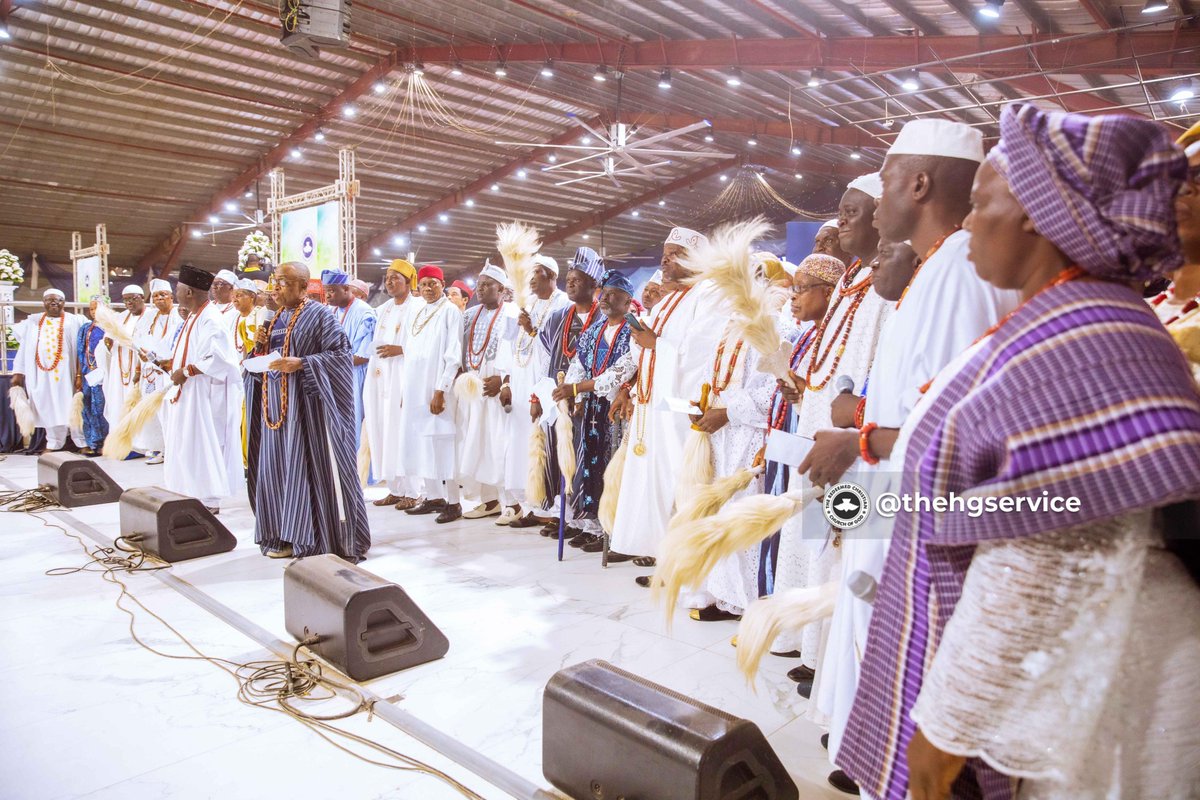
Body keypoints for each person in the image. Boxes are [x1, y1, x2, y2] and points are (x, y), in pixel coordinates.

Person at [840, 104, 1200, 800]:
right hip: (1062, 666)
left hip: (1096, 686)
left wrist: (946, 728)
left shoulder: (1085, 338)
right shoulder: (1067, 321)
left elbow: (1043, 555)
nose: (970, 222)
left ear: (1040, 210)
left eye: (983, 202)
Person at [770, 172, 892, 669]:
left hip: (856, 440)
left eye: (851, 212)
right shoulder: (849, 279)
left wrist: (855, 418)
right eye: (839, 212)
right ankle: (806, 644)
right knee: (811, 539)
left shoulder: (888, 281)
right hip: (819, 423)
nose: (839, 222)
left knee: (838, 543)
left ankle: (827, 661)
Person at [607, 227, 727, 576]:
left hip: (679, 408)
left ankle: (683, 563)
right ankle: (660, 554)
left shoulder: (708, 295)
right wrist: (629, 383)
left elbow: (700, 355)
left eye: (674, 253)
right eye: (664, 252)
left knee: (678, 481)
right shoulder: (671, 298)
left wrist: (655, 343)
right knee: (651, 481)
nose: (664, 259)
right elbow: (641, 347)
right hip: (650, 405)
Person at [247, 261, 371, 561]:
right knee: (277, 473)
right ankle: (281, 535)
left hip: (307, 412)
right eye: (275, 281)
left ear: (304, 287)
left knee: (303, 473)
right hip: (274, 413)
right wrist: (257, 350)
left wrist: (302, 363)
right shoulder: (274, 317)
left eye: (284, 282)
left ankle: (310, 539)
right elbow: (263, 363)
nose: (276, 288)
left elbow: (340, 356)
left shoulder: (320, 316)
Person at [758, 253, 846, 596]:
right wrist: (795, 392)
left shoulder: (838, 338)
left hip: (824, 449)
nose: (793, 297)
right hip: (796, 442)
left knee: (815, 544)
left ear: (828, 293)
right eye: (792, 290)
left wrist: (804, 392)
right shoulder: (809, 336)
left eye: (802, 289)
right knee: (793, 536)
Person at [525, 247, 605, 535]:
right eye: (569, 279)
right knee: (561, 456)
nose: (570, 283)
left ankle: (593, 524)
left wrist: (581, 393)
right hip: (559, 400)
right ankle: (569, 518)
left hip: (594, 403)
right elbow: (544, 361)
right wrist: (537, 396)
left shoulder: (604, 317)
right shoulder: (558, 317)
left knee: (589, 460)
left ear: (594, 285)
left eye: (578, 279)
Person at [558, 270, 635, 547]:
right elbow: (578, 364)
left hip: (618, 409)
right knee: (590, 466)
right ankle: (593, 525)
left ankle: (613, 530)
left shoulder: (634, 330)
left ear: (628, 303)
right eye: (604, 292)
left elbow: (620, 372)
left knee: (614, 467)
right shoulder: (593, 331)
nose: (606, 298)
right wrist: (571, 391)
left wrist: (578, 389)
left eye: (615, 294)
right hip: (591, 410)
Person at [161, 265, 242, 514]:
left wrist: (184, 371)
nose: (175, 292)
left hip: (205, 394)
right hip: (190, 393)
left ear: (189, 292)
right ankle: (191, 491)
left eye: (178, 288)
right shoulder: (195, 314)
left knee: (204, 443)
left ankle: (209, 499)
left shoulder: (210, 318)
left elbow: (217, 358)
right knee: (189, 443)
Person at [503, 254, 570, 527]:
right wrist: (506, 381)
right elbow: (511, 347)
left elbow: (557, 353)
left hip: (545, 384)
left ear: (552, 275)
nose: (530, 276)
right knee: (521, 443)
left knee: (546, 443)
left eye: (537, 271)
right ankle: (530, 503)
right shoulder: (527, 303)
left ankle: (552, 510)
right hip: (519, 381)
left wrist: (532, 330)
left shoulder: (563, 304)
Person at [400, 266, 465, 523]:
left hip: (438, 387)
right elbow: (410, 353)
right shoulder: (416, 312)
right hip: (416, 387)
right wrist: (407, 389)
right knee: (423, 443)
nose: (428, 289)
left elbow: (453, 354)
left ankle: (454, 502)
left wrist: (441, 389)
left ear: (443, 285)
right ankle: (433, 496)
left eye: (433, 284)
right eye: (424, 284)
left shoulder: (450, 311)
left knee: (443, 443)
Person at [456, 262, 516, 520]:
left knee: (498, 444)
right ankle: (489, 500)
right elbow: (459, 348)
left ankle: (511, 503)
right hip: (472, 390)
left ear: (501, 289)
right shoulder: (469, 314)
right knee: (475, 443)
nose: (479, 289)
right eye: (478, 285)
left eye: (486, 285)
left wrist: (504, 380)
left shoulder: (512, 314)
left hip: (497, 388)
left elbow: (519, 351)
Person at [365, 260, 423, 510]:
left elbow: (424, 344)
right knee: (384, 431)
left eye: (395, 277)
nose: (389, 281)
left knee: (404, 433)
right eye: (387, 277)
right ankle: (396, 488)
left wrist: (401, 349)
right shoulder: (385, 308)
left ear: (410, 281)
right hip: (382, 376)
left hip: (404, 374)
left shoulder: (419, 306)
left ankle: (415, 490)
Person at [12, 288, 85, 452]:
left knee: (73, 406)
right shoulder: (33, 323)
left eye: (58, 300)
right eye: (50, 299)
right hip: (42, 376)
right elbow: (23, 350)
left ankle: (81, 442)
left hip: (68, 374)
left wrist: (80, 374)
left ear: (64, 303)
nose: (54, 302)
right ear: (43, 302)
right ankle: (54, 443)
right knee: (48, 408)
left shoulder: (75, 321)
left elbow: (83, 347)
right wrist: (18, 373)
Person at [322, 268, 377, 444]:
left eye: (332, 291)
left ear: (346, 289)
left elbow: (364, 355)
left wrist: (328, 362)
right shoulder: (330, 312)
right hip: (333, 376)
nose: (328, 296)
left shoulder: (365, 313)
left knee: (355, 428)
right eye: (326, 291)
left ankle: (358, 471)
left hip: (355, 377)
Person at [133, 278, 183, 464]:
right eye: (155, 296)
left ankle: (170, 449)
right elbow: (139, 339)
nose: (159, 299)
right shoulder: (149, 316)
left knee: (168, 411)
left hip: (167, 370)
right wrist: (143, 355)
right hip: (150, 370)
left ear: (171, 297)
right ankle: (157, 448)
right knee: (151, 410)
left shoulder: (178, 314)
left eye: (163, 295)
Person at [97, 284, 146, 435]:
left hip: (140, 369)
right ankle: (121, 440)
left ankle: (139, 443)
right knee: (118, 403)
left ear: (143, 298)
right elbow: (107, 340)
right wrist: (106, 344)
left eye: (133, 298)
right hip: (119, 369)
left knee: (138, 405)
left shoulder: (151, 316)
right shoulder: (120, 317)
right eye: (125, 300)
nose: (129, 303)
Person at [74, 295, 109, 455]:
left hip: (104, 374)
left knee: (102, 408)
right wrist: (79, 375)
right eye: (92, 309)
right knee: (87, 407)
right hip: (88, 373)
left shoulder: (111, 327)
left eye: (98, 308)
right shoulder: (85, 328)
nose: (94, 312)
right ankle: (93, 442)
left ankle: (106, 442)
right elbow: (80, 352)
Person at [231, 278, 265, 362]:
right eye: (233, 296)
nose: (234, 300)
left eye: (239, 295)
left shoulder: (260, 315)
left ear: (252, 296)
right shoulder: (232, 317)